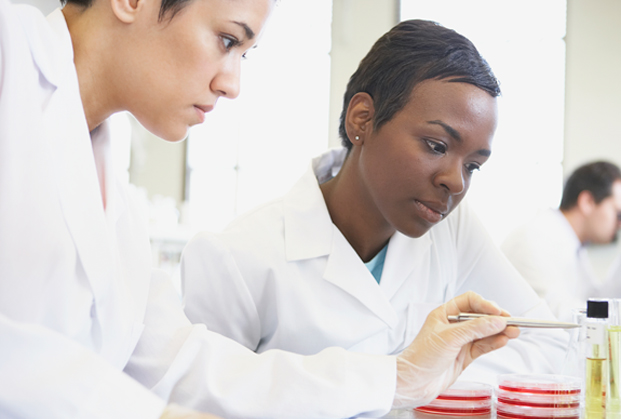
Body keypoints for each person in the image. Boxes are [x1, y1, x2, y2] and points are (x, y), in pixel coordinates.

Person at [0, 0, 519, 418]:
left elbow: (180, 363)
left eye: (243, 54)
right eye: (227, 40)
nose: (232, 83)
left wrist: (399, 377)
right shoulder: (10, 53)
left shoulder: (115, 194)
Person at [180, 19, 569, 386]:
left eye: (473, 166)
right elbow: (204, 398)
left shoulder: (453, 227)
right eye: (436, 146)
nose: (455, 180)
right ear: (362, 119)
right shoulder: (235, 258)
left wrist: (430, 373)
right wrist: (396, 375)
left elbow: (546, 344)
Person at [501, 161, 621, 321]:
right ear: (588, 202)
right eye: (618, 214)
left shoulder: (572, 245)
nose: (619, 224)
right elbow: (561, 317)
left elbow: (596, 301)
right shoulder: (534, 239)